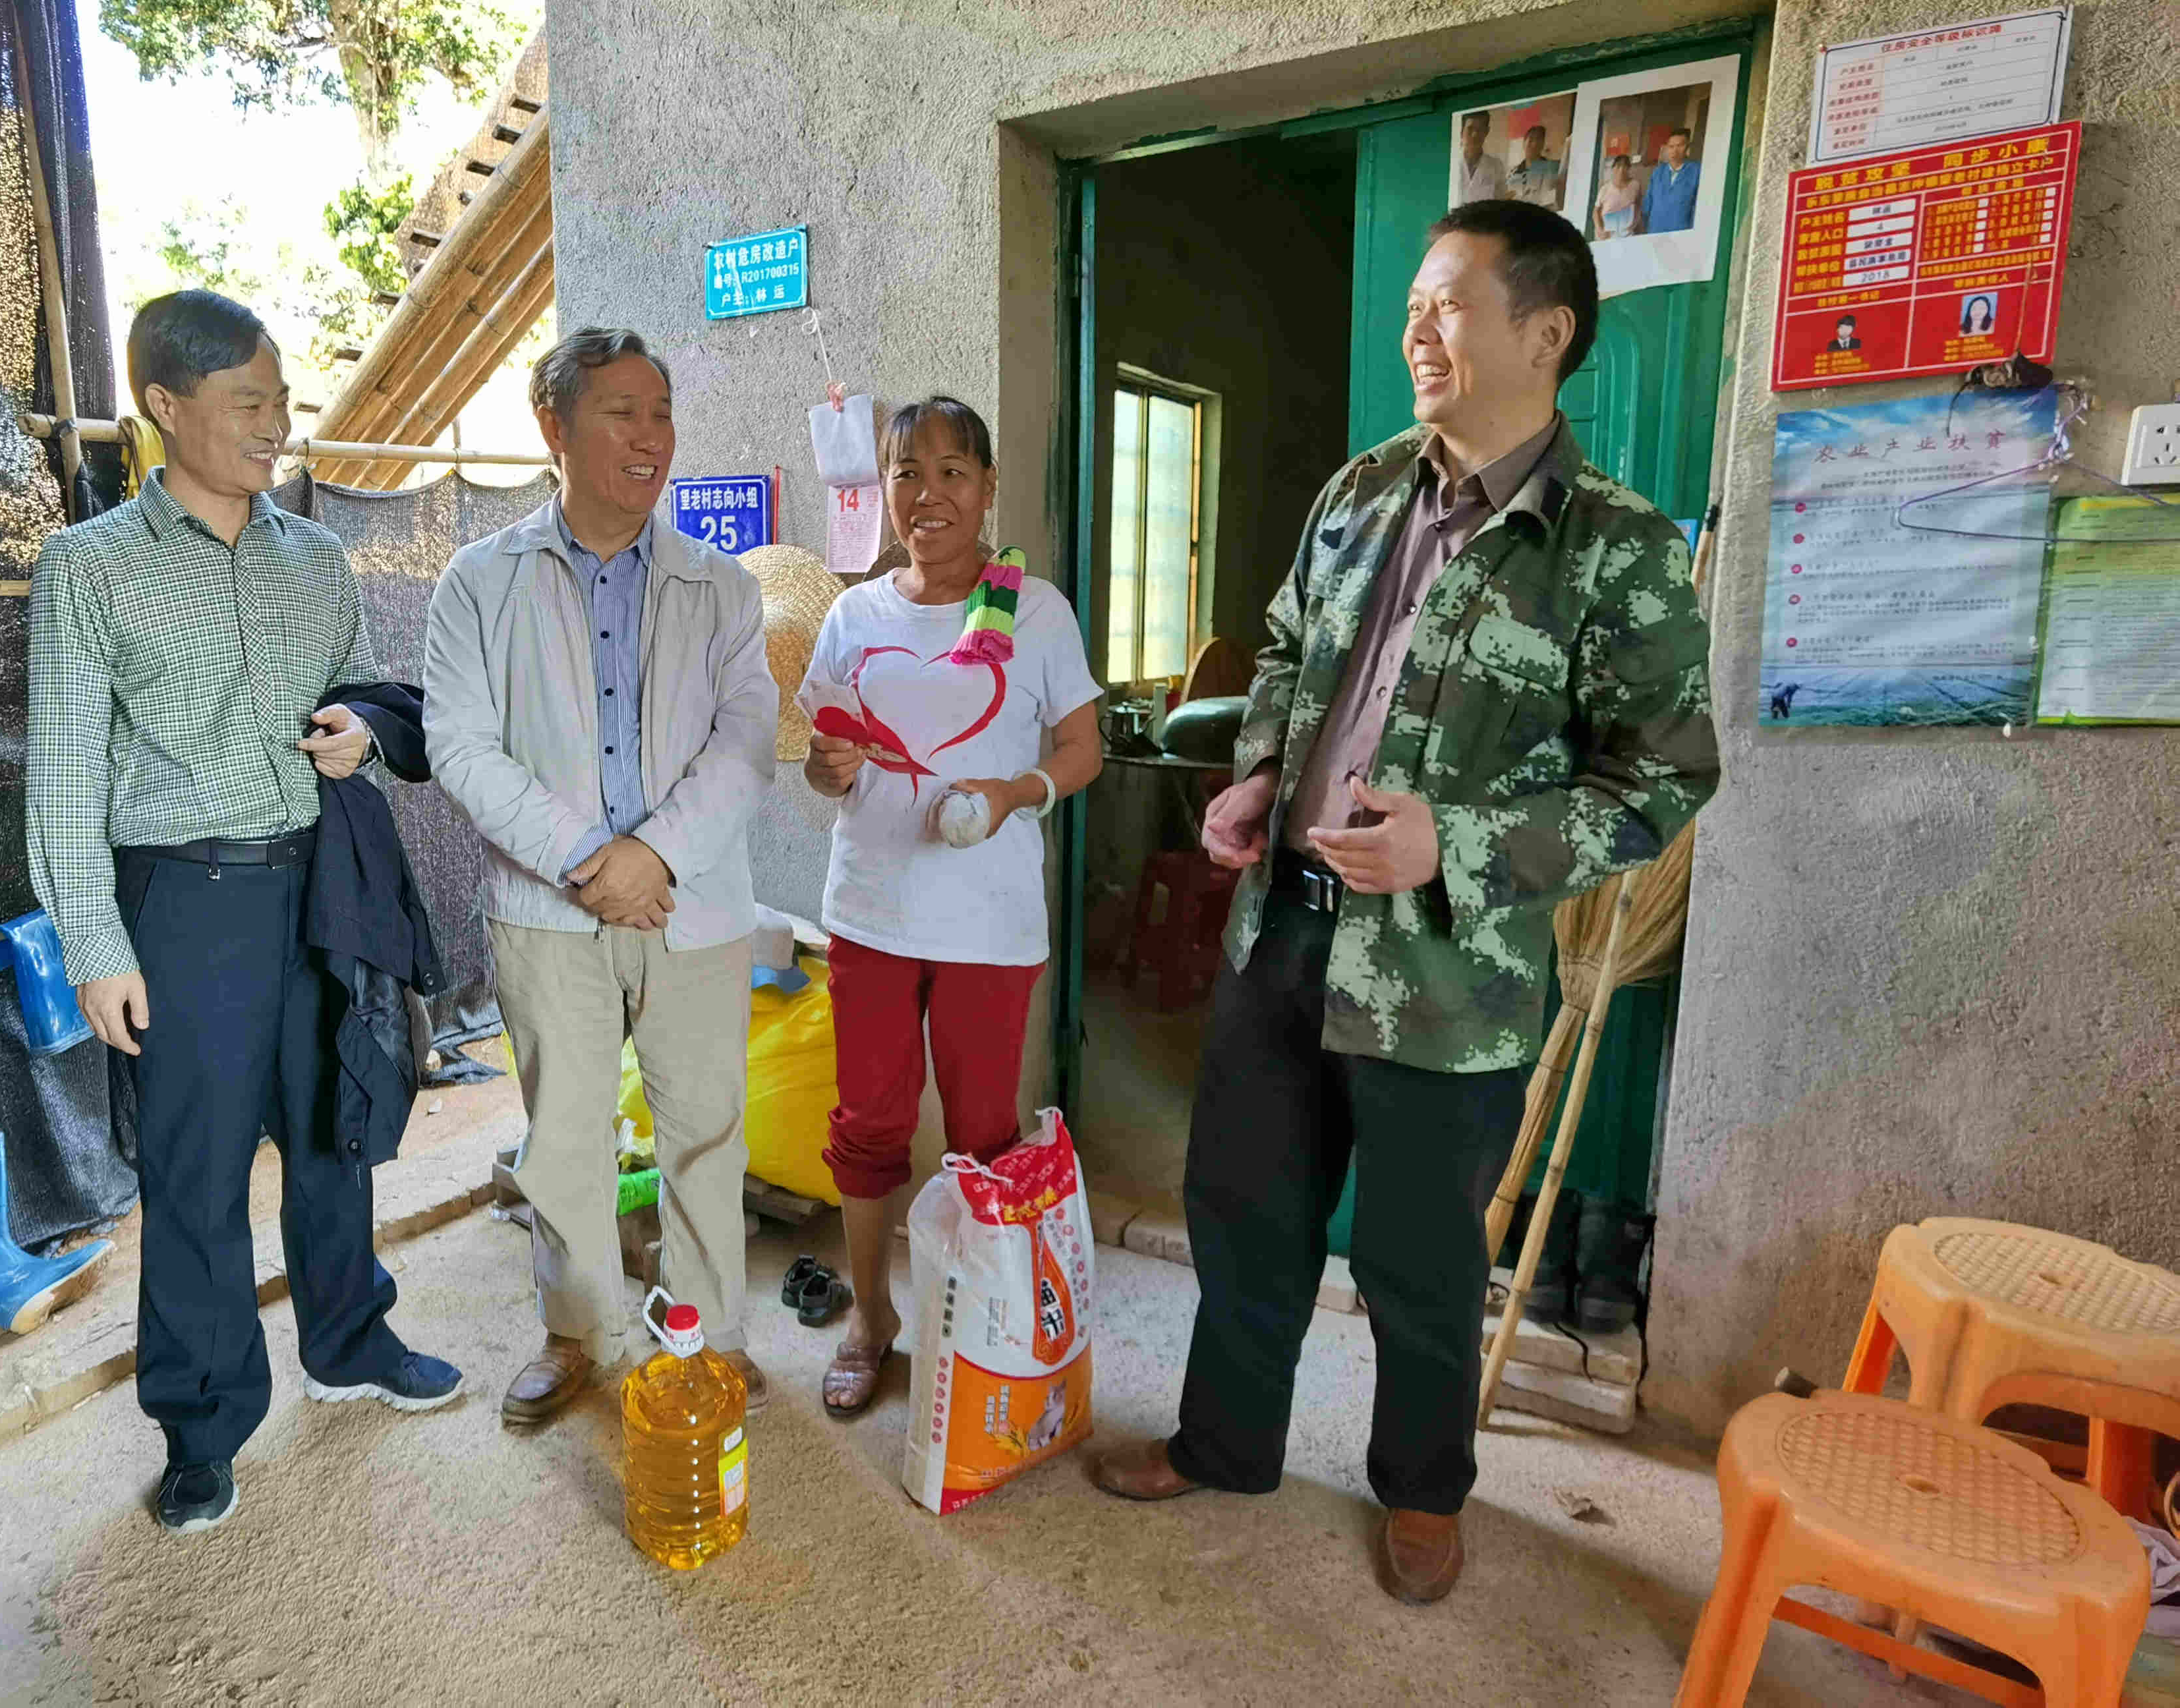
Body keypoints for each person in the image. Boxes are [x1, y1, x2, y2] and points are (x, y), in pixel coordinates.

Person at [1089, 200, 1717, 1608]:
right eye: (1415, 305)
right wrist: (1258, 774)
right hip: (1288, 926)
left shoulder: (1613, 550)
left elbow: (1667, 779)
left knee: (1420, 1261)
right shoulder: (1363, 489)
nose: (1414, 330)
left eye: (1447, 305)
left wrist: (1466, 845)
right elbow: (1292, 653)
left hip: (1455, 971)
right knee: (1244, 1205)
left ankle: (1425, 1491)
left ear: (1545, 334)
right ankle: (1227, 1441)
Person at [27, 289, 462, 1538]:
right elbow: (60, 774)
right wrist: (97, 946)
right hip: (183, 904)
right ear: (166, 409)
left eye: (282, 400)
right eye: (248, 404)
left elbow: (363, 699)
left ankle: (351, 1337)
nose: (277, 425)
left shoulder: (315, 558)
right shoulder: (90, 568)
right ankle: (203, 1424)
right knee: (197, 1175)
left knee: (336, 1127)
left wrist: (360, 734)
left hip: (315, 883)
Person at [422, 327, 777, 1425]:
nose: (649, 435)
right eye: (620, 410)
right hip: (548, 910)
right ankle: (578, 1331)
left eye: (660, 412)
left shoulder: (719, 585)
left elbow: (747, 734)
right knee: (566, 1136)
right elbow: (460, 746)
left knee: (707, 1132)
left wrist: (655, 855)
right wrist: (591, 862)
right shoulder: (479, 581)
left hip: (694, 903)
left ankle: (711, 1334)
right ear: (553, 429)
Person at [797, 398, 1103, 1417]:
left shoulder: (1039, 611)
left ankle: (982, 1316)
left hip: (988, 924)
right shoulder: (853, 617)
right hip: (872, 913)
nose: (928, 494)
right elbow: (822, 768)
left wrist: (1014, 793)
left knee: (983, 1129)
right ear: (881, 491)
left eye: (952, 472)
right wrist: (829, 764)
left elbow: (1081, 749)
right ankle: (871, 1318)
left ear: (988, 486)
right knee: (869, 1122)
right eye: (905, 473)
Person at [1641, 127, 1702, 234]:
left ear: (1687, 148)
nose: (1675, 150)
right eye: (1671, 146)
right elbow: (1648, 203)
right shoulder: (1658, 172)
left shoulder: (1697, 171)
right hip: (1655, 231)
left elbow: (1700, 206)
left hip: (1682, 234)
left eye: (1680, 146)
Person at [1450, 110, 1508, 206]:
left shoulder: (1496, 166)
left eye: (1480, 129)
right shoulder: (1451, 163)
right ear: (1461, 130)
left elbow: (1501, 204)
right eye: (1470, 128)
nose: (1475, 134)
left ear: (1487, 132)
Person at [1505, 124, 1563, 208]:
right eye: (1531, 140)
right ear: (1524, 143)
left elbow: (1549, 203)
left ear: (1543, 144)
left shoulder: (1550, 169)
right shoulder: (1512, 172)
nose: (1535, 144)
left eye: (1539, 140)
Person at [1593, 154, 1641, 239]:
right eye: (1618, 166)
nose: (1621, 170)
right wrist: (1600, 229)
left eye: (1625, 166)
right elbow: (1595, 212)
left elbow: (1638, 206)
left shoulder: (1635, 185)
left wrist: (1633, 224)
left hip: (1627, 234)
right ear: (1613, 168)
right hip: (1607, 234)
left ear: (1629, 169)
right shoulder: (1605, 189)